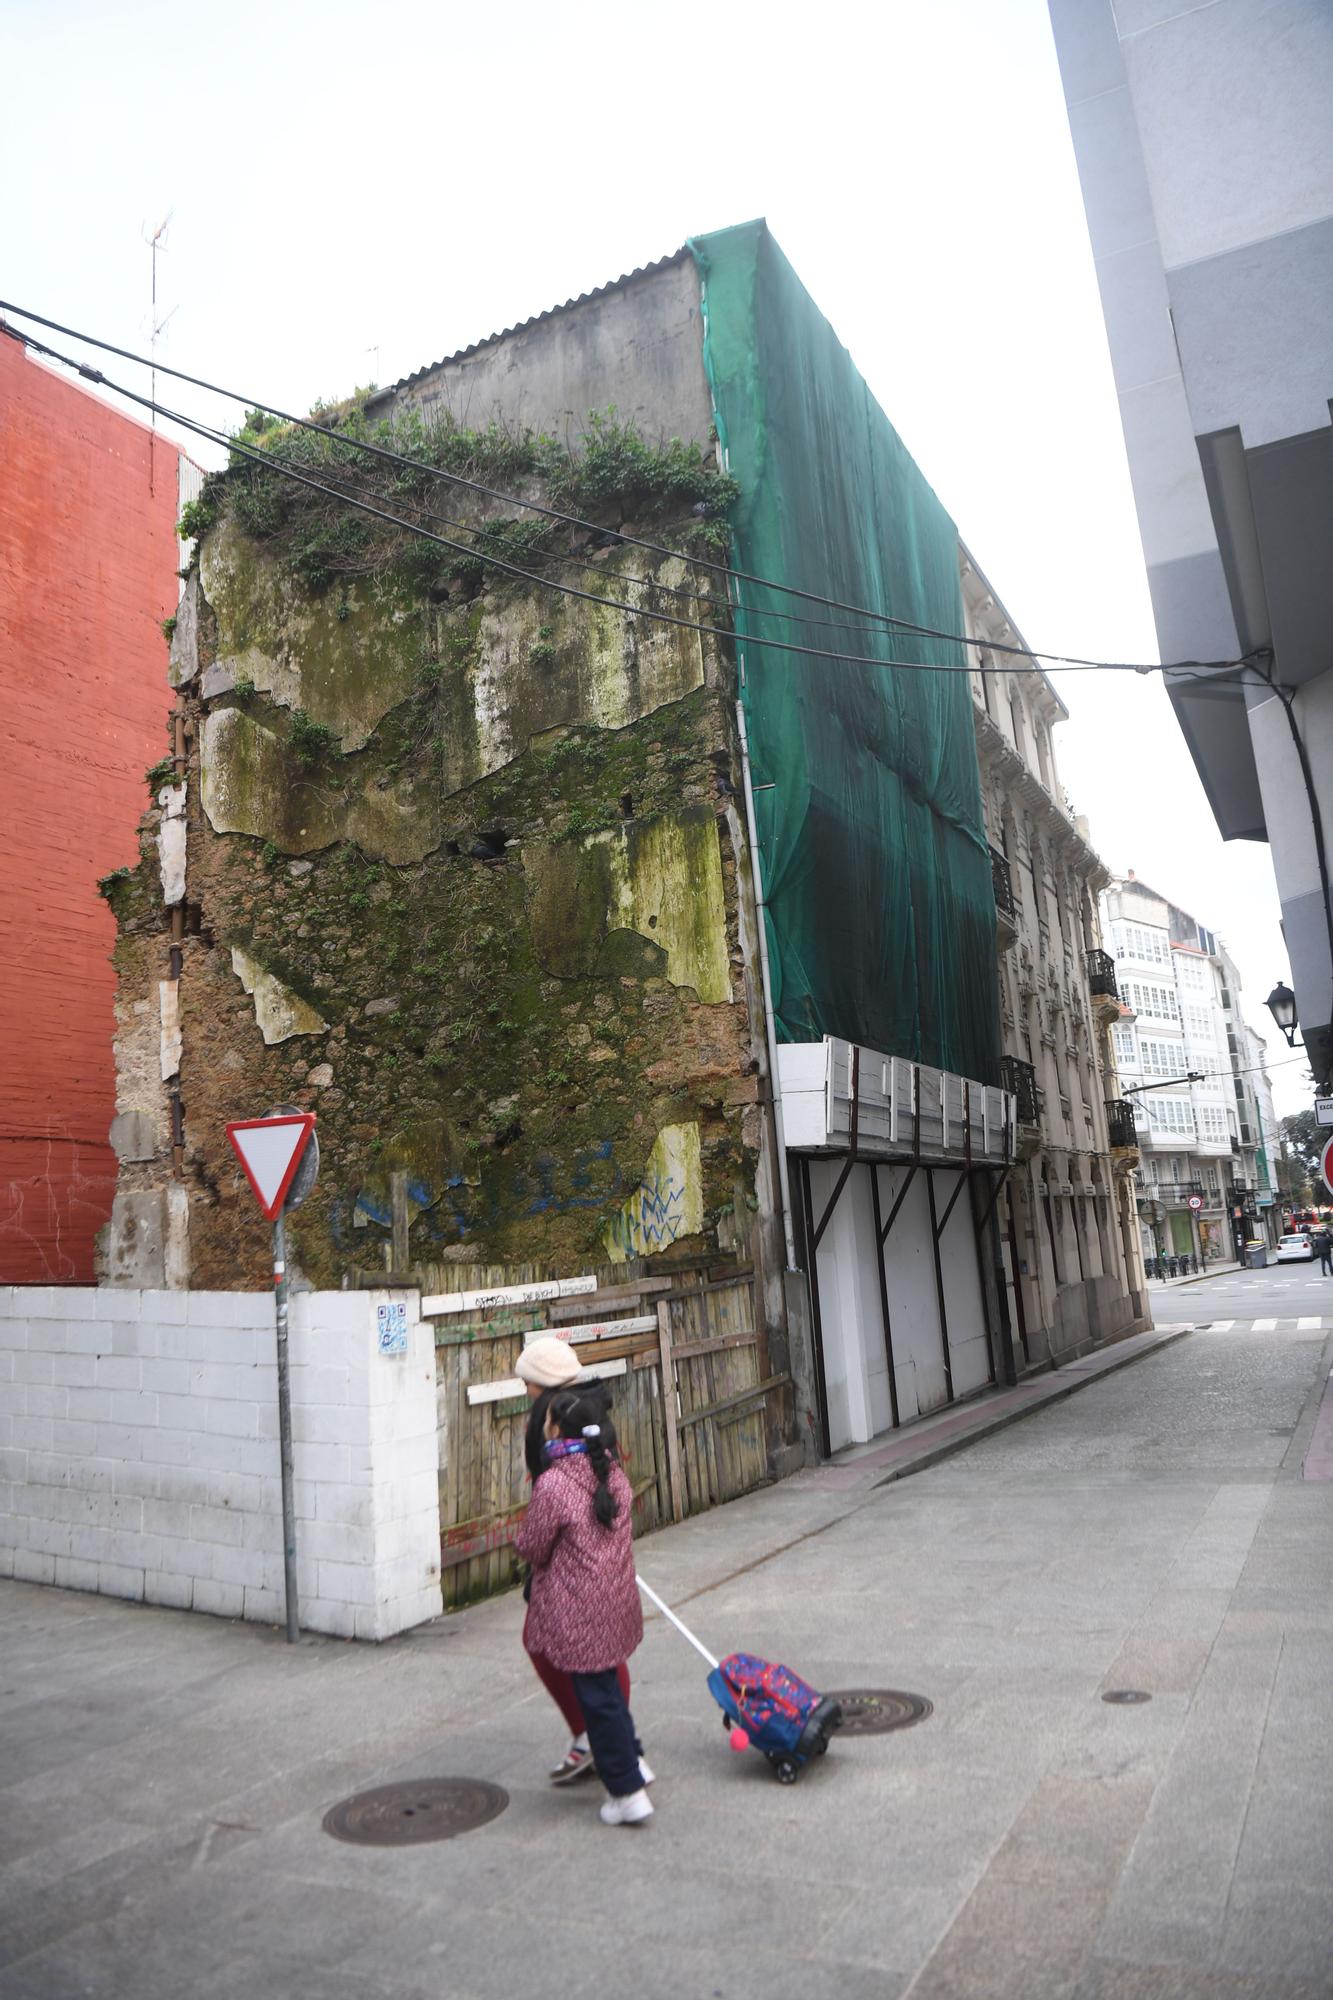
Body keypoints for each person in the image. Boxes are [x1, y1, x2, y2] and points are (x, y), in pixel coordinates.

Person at [514, 1386, 652, 1826]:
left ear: (558, 1432)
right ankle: (634, 1762)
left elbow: (533, 1545)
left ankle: (626, 1793)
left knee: (598, 1701)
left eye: (549, 1424)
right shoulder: (612, 1474)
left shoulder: (554, 1484)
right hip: (615, 1603)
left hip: (578, 1612)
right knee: (608, 1690)